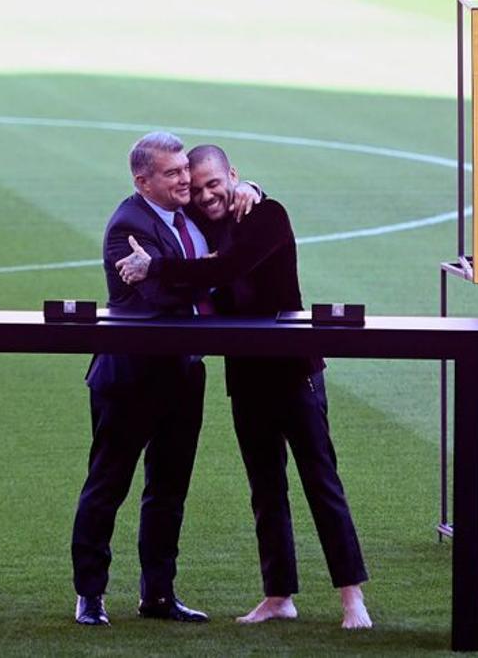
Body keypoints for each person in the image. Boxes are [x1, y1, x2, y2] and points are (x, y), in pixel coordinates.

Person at [116, 145, 372, 629]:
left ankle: (352, 598)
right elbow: (176, 215)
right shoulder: (203, 219)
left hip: (294, 371)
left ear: (233, 175)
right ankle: (278, 596)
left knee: (321, 483)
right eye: (198, 188)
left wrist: (157, 266)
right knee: (265, 489)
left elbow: (226, 268)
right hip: (246, 376)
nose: (206, 196)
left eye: (216, 184)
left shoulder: (267, 215)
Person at [71, 132, 258, 626]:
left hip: (183, 373)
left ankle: (158, 595)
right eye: (173, 173)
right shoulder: (127, 226)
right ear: (143, 181)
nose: (186, 180)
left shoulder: (186, 209)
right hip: (130, 377)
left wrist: (251, 188)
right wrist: (210, 273)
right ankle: (90, 595)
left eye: (185, 170)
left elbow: (222, 202)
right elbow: (159, 297)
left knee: (169, 490)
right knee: (107, 486)